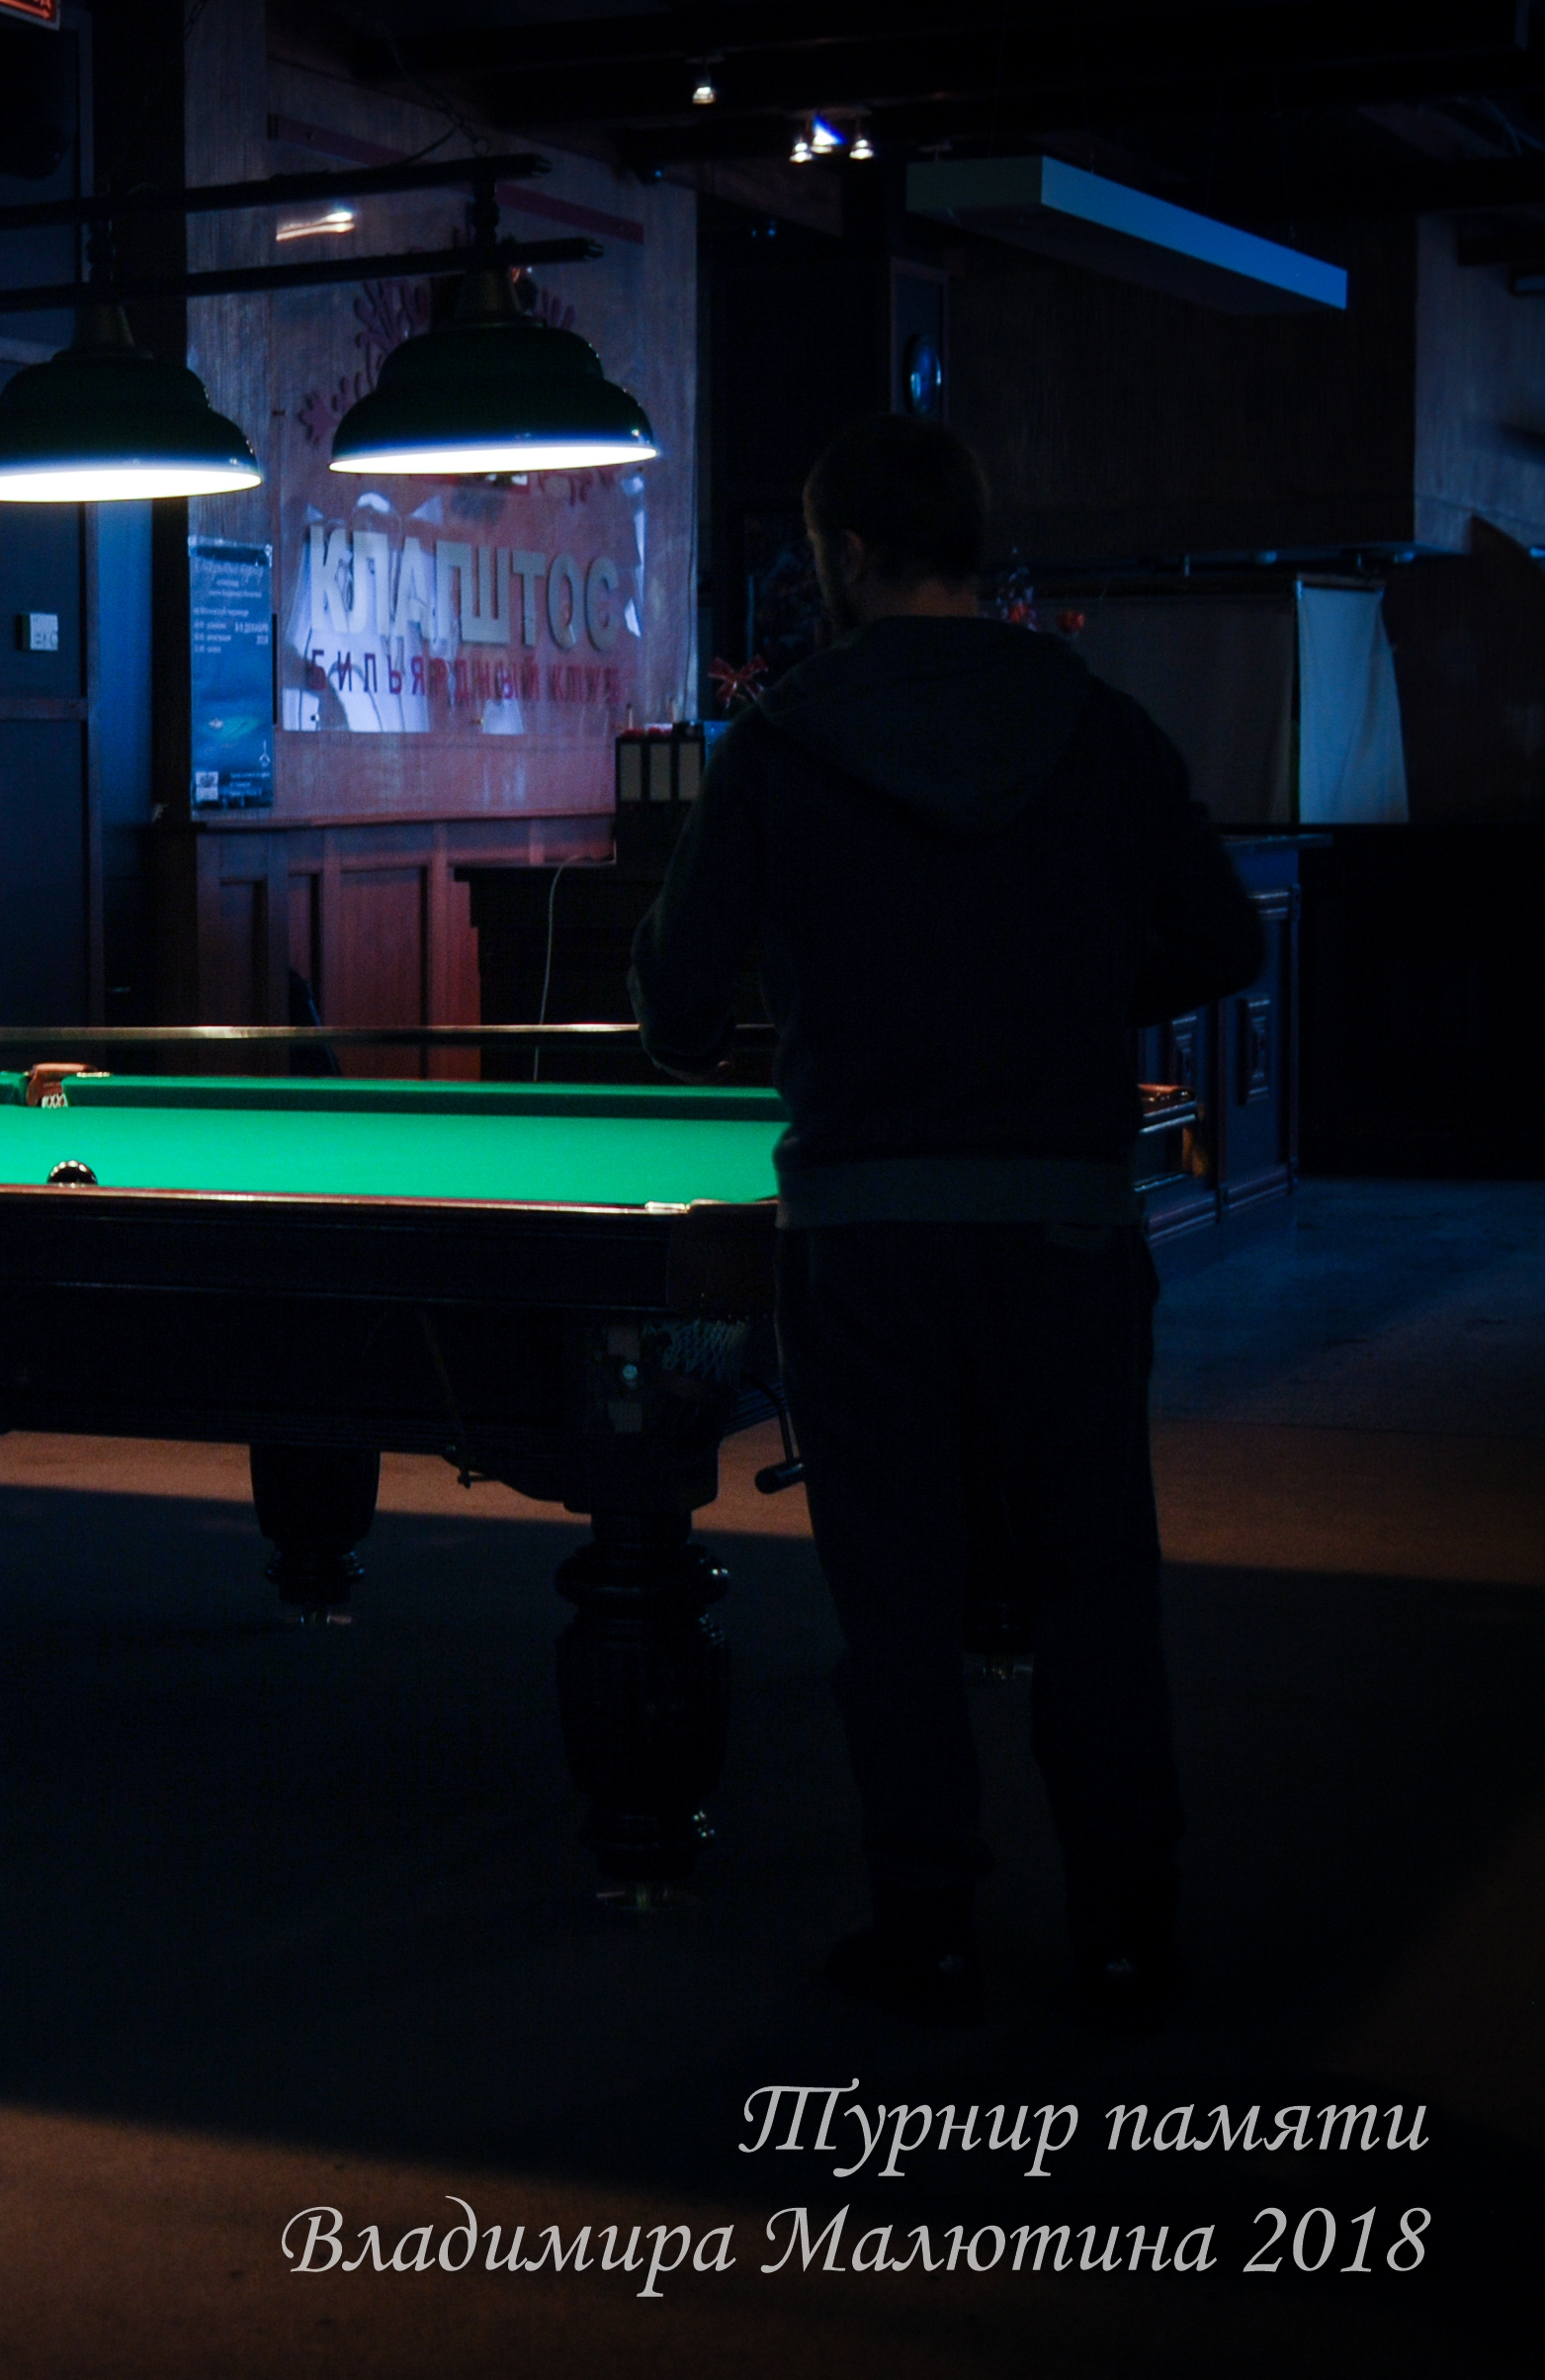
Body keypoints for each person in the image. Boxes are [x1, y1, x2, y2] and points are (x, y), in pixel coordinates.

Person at [630, 415, 1264, 2033]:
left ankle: (926, 1931)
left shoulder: (780, 744)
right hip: (1064, 1221)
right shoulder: (1101, 726)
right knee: (1093, 1585)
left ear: (844, 555)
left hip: (864, 1231)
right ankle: (1125, 1935)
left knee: (895, 1601)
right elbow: (1221, 941)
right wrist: (1069, 999)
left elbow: (676, 1008)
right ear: (971, 548)